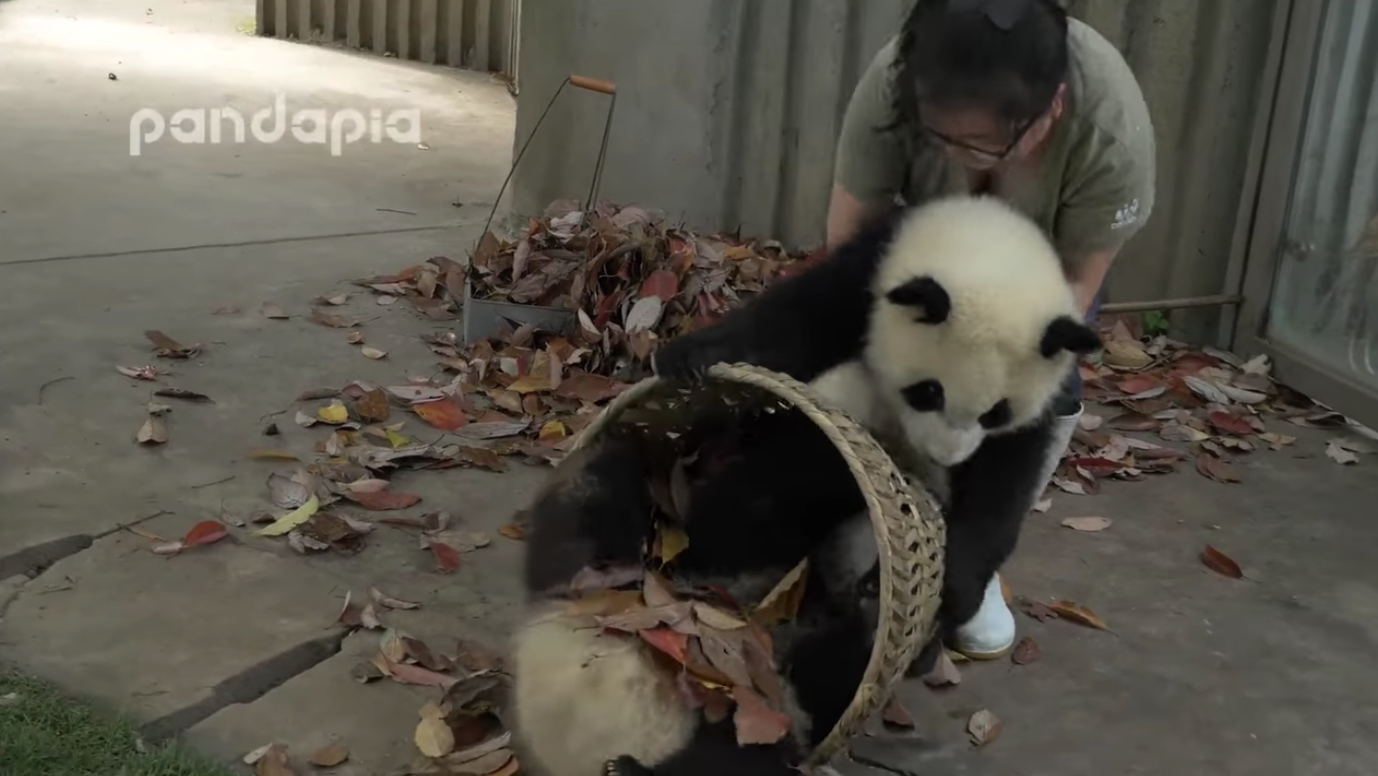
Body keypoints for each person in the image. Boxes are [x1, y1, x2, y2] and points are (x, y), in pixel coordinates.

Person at [828, 0, 1155, 658]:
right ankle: (864, 509)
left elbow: (1070, 298)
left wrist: (974, 391)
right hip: (921, 258)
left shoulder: (1109, 133)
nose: (957, 158)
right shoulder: (896, 81)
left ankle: (969, 554)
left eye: (976, 144)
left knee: (1041, 389)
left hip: (1035, 281)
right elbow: (845, 248)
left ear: (1049, 114)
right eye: (938, 138)